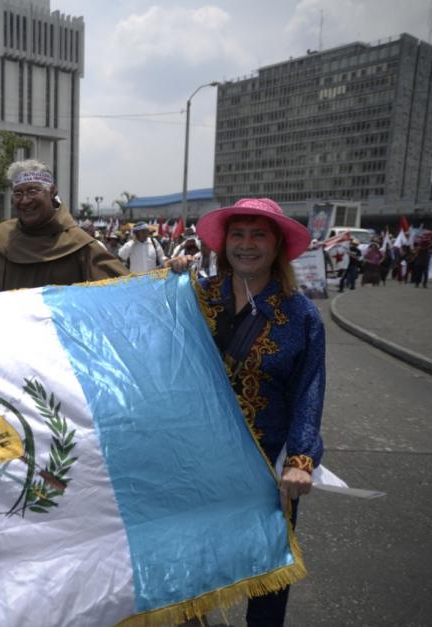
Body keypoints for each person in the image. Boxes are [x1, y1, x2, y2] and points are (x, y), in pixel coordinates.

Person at [168, 198, 324, 627]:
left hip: (267, 467)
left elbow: (309, 393)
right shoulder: (196, 297)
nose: (247, 244)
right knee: (192, 563)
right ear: (224, 244)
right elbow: (151, 337)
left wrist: (300, 461)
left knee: (268, 572)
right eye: (238, 234)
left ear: (277, 246)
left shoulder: (301, 315)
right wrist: (168, 279)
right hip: (199, 460)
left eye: (259, 234)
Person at [0, 160, 127, 294]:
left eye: (32, 191)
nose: (25, 200)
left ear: (52, 191)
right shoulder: (1, 238)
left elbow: (125, 295)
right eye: (18, 193)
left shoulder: (81, 246)